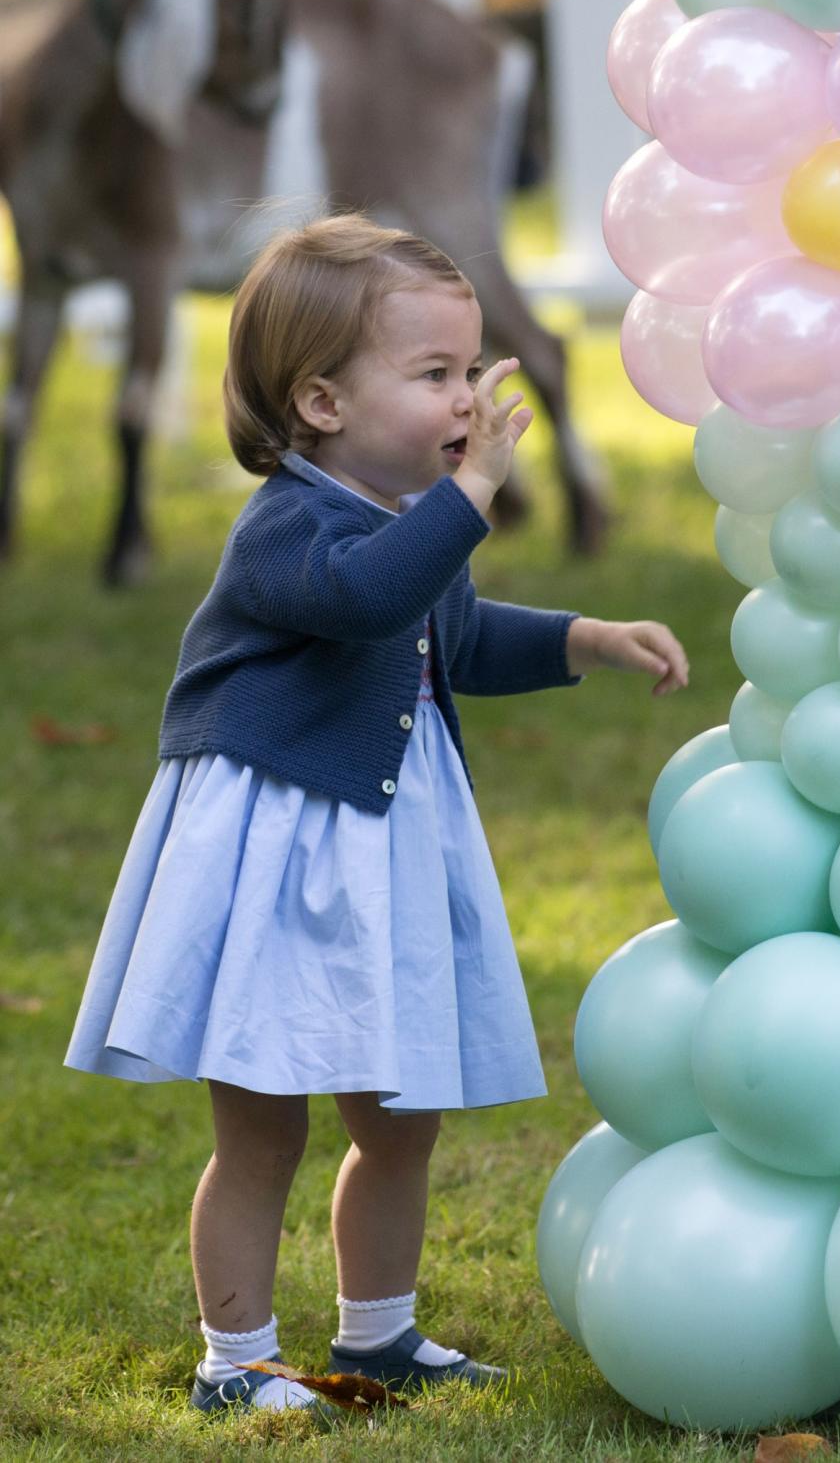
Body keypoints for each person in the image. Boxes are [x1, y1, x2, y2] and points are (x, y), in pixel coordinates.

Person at [65, 213, 688, 1413]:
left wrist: (584, 638)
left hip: (381, 849)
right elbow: (365, 603)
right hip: (276, 858)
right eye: (436, 374)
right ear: (322, 404)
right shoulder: (290, 527)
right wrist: (474, 494)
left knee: (402, 1117)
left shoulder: (412, 524)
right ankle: (236, 1364)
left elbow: (448, 627)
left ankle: (378, 1332)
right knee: (264, 1130)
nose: (468, 399)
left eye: (472, 369)